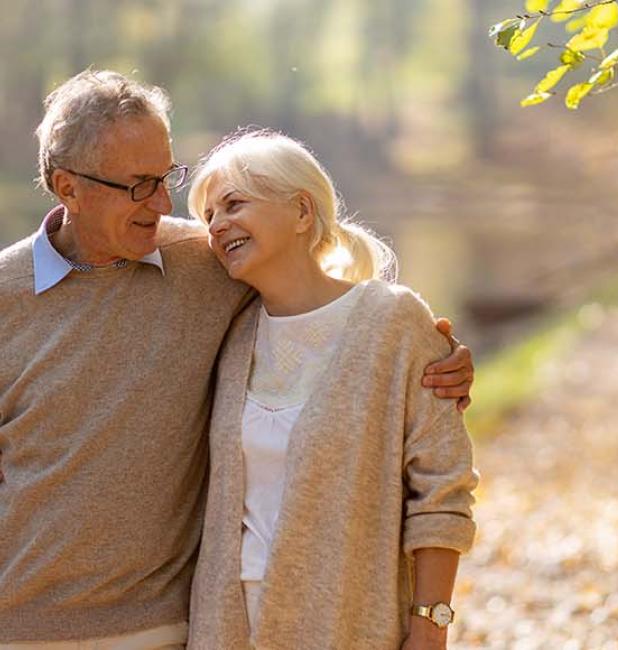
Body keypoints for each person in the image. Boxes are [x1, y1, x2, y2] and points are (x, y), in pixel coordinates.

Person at [0, 70, 475, 649]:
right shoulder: (7, 295)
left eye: (166, 178)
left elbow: (326, 306)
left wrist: (437, 361)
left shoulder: (203, 263)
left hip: (164, 627)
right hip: (21, 628)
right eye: (139, 185)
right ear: (67, 187)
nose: (163, 204)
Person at [184, 129, 476, 649]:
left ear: (302, 211)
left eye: (233, 204)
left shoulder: (393, 322)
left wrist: (430, 625)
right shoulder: (228, 334)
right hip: (226, 630)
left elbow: (441, 487)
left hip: (348, 626)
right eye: (208, 216)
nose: (217, 225)